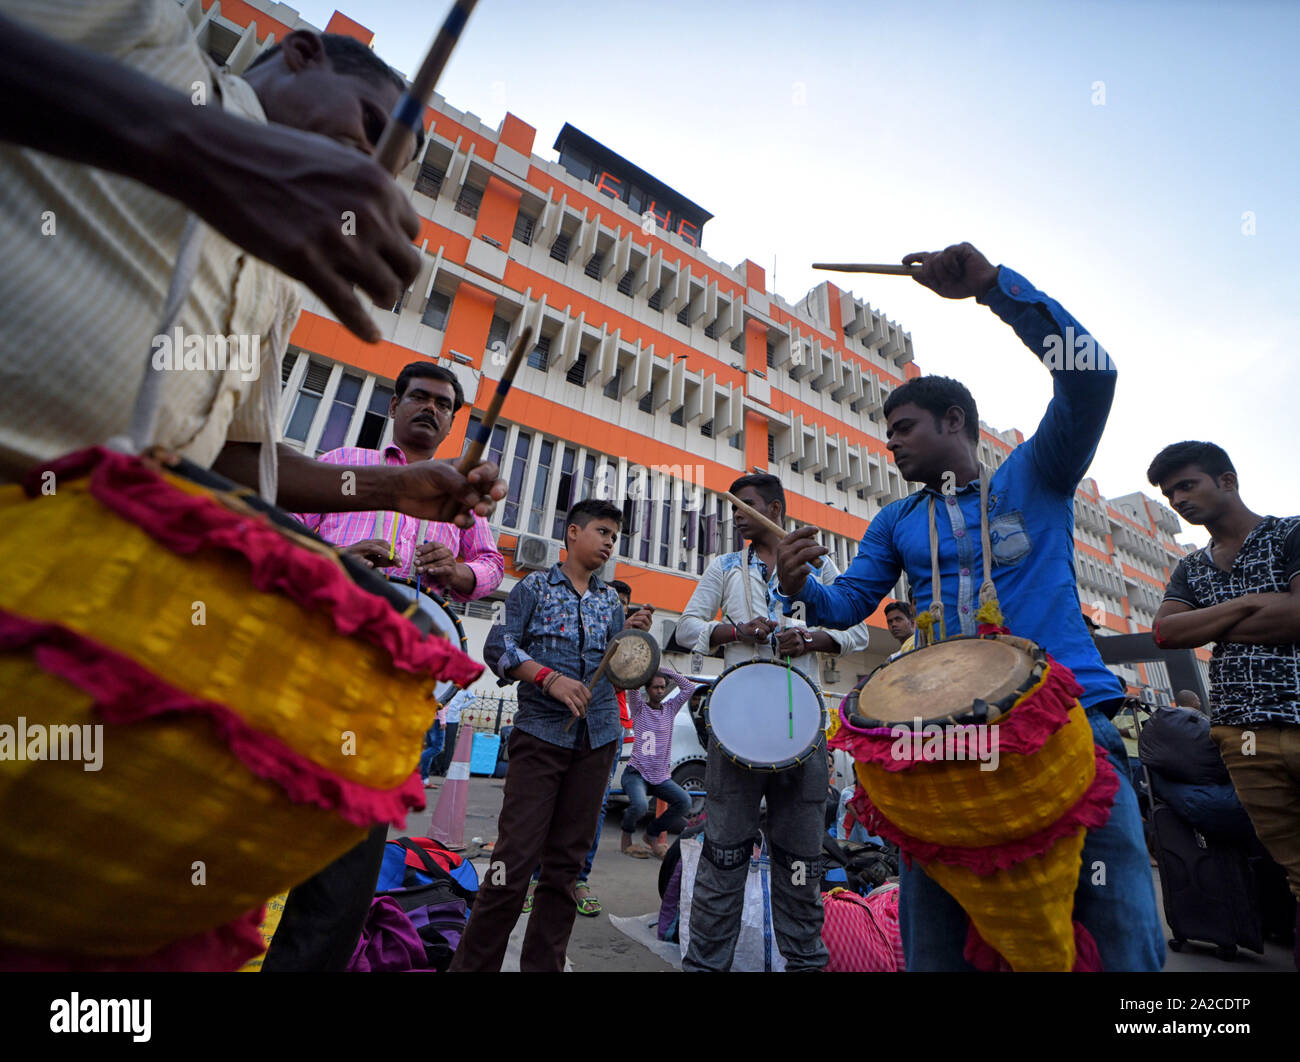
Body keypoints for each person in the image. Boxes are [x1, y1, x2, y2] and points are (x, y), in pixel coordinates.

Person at [775, 242, 1164, 972]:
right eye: (887, 434)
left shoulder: (1035, 476)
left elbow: (1092, 376)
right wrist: (799, 588)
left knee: (1117, 941)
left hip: (1069, 725)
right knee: (940, 947)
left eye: (904, 430)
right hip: (937, 746)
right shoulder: (894, 522)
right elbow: (845, 604)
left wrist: (995, 289)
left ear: (954, 421)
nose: (891, 446)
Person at [0, 2, 501, 528]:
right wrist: (217, 150)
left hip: (97, 552)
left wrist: (389, 486)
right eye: (368, 123)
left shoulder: (280, 280)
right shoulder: (152, 37)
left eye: (385, 169)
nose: (364, 165)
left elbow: (232, 456)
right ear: (301, 54)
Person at [676, 473, 871, 972]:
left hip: (803, 734)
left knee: (801, 861)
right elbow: (686, 627)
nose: (738, 513)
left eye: (749, 505)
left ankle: (805, 961)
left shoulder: (819, 564)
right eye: (734, 506)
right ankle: (704, 965)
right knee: (723, 853)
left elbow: (858, 634)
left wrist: (812, 640)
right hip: (734, 730)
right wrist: (736, 630)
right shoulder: (724, 567)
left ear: (776, 510)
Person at [450, 500, 651, 971]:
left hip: (597, 741)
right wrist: (548, 678)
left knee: (565, 870)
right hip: (540, 738)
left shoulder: (608, 601)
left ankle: (545, 966)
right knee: (512, 865)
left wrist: (630, 639)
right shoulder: (533, 588)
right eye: (601, 531)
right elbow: (498, 647)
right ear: (573, 533)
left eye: (614, 537)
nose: (608, 543)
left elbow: (616, 673)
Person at [1148, 440, 1300, 969]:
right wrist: (1252, 602)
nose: (1179, 500)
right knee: (1292, 866)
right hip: (1241, 734)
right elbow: (1166, 634)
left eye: (1187, 485)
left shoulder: (1290, 534)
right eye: (1170, 494)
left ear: (1227, 481)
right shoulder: (1190, 568)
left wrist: (1213, 621)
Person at [295, 360, 505, 594]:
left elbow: (492, 564)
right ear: (394, 406)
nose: (430, 408)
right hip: (327, 609)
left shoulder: (458, 488)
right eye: (419, 397)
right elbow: (283, 522)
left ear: (450, 426)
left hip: (414, 624)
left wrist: (455, 572)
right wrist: (333, 559)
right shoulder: (344, 463)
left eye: (443, 405)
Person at [523, 581, 647, 918]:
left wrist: (632, 642)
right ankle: (534, 879)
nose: (616, 610)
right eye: (613, 604)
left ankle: (578, 880)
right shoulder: (579, 623)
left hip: (609, 728)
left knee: (595, 809)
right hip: (566, 720)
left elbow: (629, 678)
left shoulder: (626, 635)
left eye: (623, 606)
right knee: (548, 803)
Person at [620, 668, 697, 859]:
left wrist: (663, 670)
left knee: (685, 802)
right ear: (648, 690)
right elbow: (633, 687)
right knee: (639, 806)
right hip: (636, 773)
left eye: (663, 687)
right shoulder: (639, 708)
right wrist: (648, 669)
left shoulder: (670, 709)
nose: (660, 691)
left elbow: (689, 688)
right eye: (655, 687)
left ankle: (651, 835)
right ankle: (626, 839)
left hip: (660, 777)